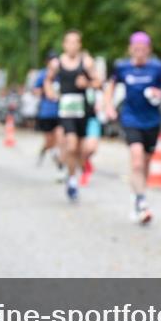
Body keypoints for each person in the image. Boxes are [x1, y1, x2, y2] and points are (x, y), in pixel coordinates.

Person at [104, 32, 161, 224]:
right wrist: (108, 106)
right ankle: (142, 202)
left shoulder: (158, 68)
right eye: (136, 49)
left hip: (152, 121)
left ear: (149, 50)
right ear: (130, 50)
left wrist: (160, 93)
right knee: (136, 160)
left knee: (145, 162)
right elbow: (110, 86)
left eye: (143, 50)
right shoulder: (122, 67)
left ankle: (137, 193)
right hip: (130, 119)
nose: (140, 53)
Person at [43, 30, 98, 202]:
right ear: (64, 44)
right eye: (69, 42)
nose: (72, 45)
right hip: (66, 110)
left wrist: (87, 83)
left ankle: (74, 172)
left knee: (81, 149)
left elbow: (98, 82)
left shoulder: (87, 62)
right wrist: (50, 92)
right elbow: (48, 80)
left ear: (79, 45)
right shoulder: (57, 63)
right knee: (71, 145)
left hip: (83, 110)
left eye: (75, 42)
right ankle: (72, 180)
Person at [34, 52, 63, 169]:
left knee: (58, 138)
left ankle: (59, 162)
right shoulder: (42, 75)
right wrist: (46, 87)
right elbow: (36, 91)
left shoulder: (61, 75)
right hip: (46, 112)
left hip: (60, 111)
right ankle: (44, 150)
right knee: (49, 140)